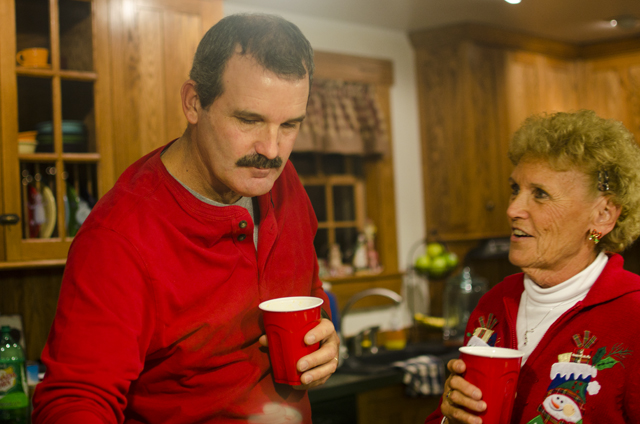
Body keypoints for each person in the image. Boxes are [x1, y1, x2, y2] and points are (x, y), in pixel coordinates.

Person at [32, 13, 340, 424]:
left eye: (289, 125)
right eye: (248, 120)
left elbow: (308, 293)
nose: (270, 149)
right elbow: (73, 400)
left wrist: (323, 337)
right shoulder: (119, 236)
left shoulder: (284, 186)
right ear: (194, 102)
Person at [425, 110, 640, 424]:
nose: (513, 209)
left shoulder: (633, 315)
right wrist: (450, 414)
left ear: (603, 215)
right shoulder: (494, 303)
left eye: (540, 194)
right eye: (515, 189)